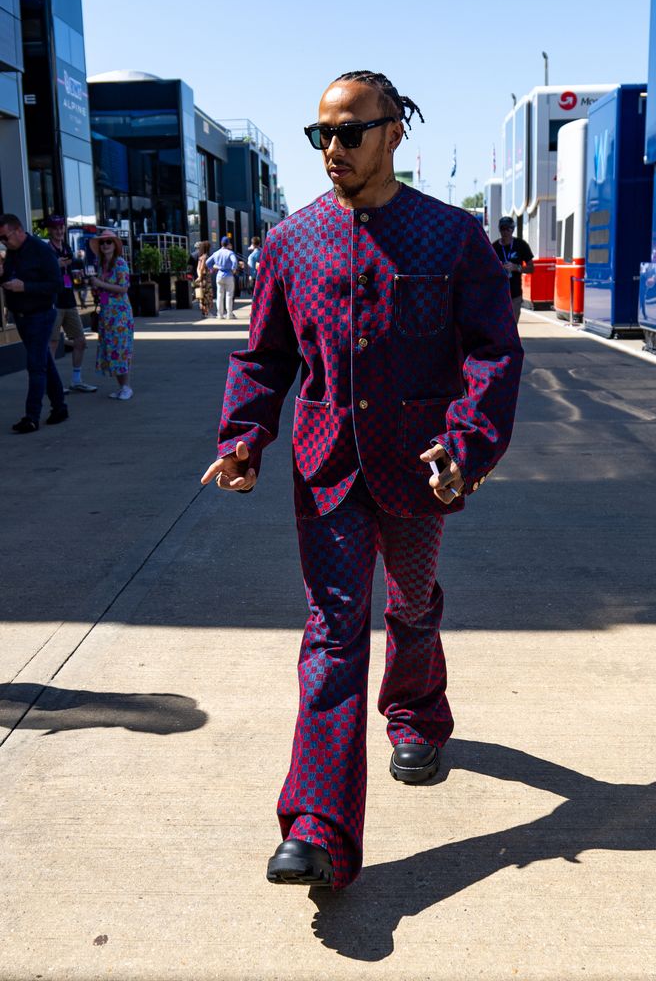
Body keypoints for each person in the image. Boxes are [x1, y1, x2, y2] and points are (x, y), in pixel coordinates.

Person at [201, 70, 524, 891]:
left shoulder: (453, 237)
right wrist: (246, 438)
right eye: (321, 136)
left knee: (411, 602)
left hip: (423, 466)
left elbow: (493, 350)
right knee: (334, 630)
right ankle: (318, 823)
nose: (333, 150)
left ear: (394, 133)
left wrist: (468, 441)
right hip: (327, 467)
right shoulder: (290, 241)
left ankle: (415, 714)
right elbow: (266, 355)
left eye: (349, 132)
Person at [0, 212, 68, 433]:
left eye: (5, 237)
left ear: (18, 231)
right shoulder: (12, 252)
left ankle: (32, 416)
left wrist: (25, 287)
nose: (3, 242)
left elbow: (56, 285)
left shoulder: (41, 250)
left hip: (40, 315)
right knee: (43, 362)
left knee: (36, 365)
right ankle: (59, 406)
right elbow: (9, 277)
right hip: (21, 316)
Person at [45, 214, 97, 394]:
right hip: (53, 302)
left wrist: (75, 274)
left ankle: (76, 380)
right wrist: (55, 265)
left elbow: (67, 271)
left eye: (61, 228)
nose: (59, 231)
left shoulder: (66, 247)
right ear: (50, 230)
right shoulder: (47, 250)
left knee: (80, 341)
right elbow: (41, 274)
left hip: (68, 300)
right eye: (55, 228)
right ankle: (50, 384)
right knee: (52, 343)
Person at [89, 230, 134, 400]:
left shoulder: (119, 263)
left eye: (108, 242)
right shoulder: (101, 265)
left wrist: (100, 283)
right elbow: (105, 288)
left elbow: (123, 288)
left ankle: (126, 386)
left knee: (120, 349)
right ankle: (122, 386)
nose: (105, 245)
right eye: (102, 242)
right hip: (107, 312)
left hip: (119, 314)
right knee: (111, 349)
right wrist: (96, 287)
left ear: (114, 245)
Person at [492, 216, 534, 323]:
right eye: (502, 228)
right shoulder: (494, 247)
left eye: (508, 229)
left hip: (515, 295)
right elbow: (487, 270)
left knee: (512, 326)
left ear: (513, 229)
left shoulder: (521, 245)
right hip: (498, 294)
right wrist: (498, 268)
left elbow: (531, 268)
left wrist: (517, 267)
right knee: (499, 326)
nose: (505, 232)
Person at [206, 236, 238, 319]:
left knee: (219, 295)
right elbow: (234, 261)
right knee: (229, 295)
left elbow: (207, 262)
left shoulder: (216, 253)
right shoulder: (230, 253)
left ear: (221, 244)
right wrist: (233, 269)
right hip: (229, 275)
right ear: (228, 244)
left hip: (219, 275)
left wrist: (212, 268)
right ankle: (229, 314)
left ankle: (219, 314)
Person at [194, 241, 215, 317]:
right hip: (205, 279)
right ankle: (207, 313)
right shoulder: (205, 256)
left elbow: (198, 268)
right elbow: (202, 267)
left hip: (202, 278)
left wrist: (199, 276)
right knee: (207, 295)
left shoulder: (200, 257)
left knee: (202, 296)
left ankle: (204, 312)